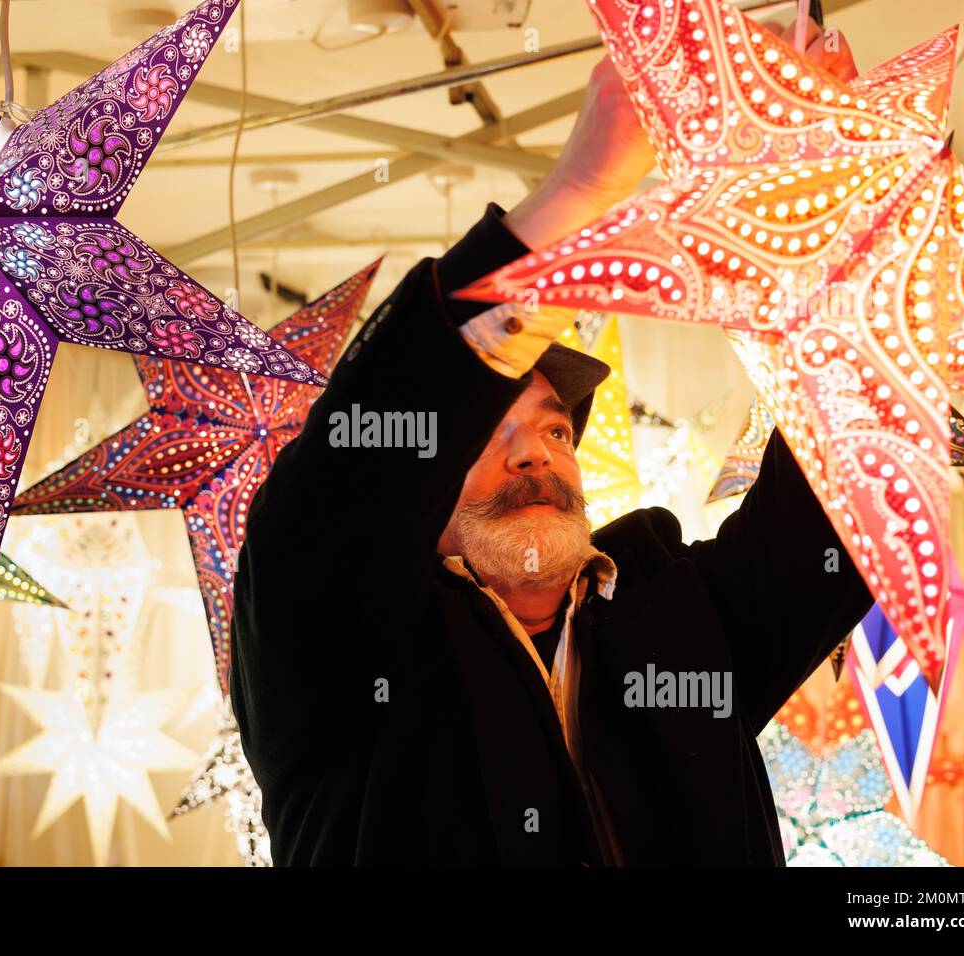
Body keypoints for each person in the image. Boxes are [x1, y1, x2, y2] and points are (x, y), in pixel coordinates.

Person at [229, 21, 870, 865]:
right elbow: (342, 491)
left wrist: (845, 219)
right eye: (486, 436)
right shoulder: (338, 655)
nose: (534, 455)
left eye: (555, 431)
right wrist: (579, 191)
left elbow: (843, 501)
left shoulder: (676, 618)